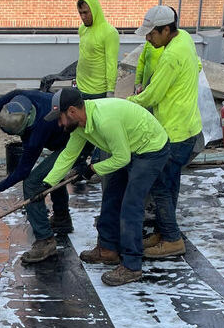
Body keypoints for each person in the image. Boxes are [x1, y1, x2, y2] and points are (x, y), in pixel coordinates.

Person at [43, 88, 169, 286]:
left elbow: (122, 158)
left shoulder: (105, 120)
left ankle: (131, 266)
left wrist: (92, 168)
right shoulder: (81, 126)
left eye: (61, 118)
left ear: (73, 112)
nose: (60, 124)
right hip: (128, 148)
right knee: (111, 196)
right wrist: (47, 183)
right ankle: (108, 249)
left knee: (131, 205)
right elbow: (69, 155)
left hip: (150, 149)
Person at [0, 91, 72, 264]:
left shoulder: (38, 132)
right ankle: (62, 218)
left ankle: (45, 241)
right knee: (51, 173)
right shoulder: (17, 96)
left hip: (72, 143)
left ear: (27, 122)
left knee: (33, 183)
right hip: (59, 137)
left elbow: (22, 172)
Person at [128, 5, 202, 259]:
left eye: (152, 34)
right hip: (187, 127)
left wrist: (126, 104)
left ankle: (172, 239)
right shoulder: (184, 39)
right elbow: (198, 67)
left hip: (175, 132)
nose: (148, 39)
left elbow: (154, 93)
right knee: (170, 184)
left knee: (159, 185)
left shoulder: (171, 56)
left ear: (167, 29)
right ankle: (163, 231)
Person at [75, 0, 120, 100]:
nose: (83, 17)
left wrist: (110, 90)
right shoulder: (82, 29)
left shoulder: (109, 32)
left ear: (94, 10)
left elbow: (111, 63)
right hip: (80, 87)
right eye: (80, 13)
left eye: (86, 12)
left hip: (98, 91)